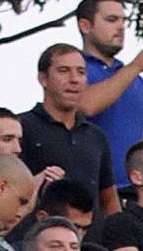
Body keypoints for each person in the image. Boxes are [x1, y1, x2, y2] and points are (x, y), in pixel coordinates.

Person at [75, 0, 143, 189]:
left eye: (123, 20)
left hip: (134, 194)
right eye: (111, 20)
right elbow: (86, 106)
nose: (121, 27)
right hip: (90, 193)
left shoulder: (134, 80)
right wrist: (136, 66)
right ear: (85, 26)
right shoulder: (76, 68)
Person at [19, 43, 116, 211]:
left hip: (90, 235)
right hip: (35, 234)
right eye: (63, 71)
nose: (74, 79)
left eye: (81, 72)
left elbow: (109, 199)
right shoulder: (20, 127)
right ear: (43, 78)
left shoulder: (96, 136)